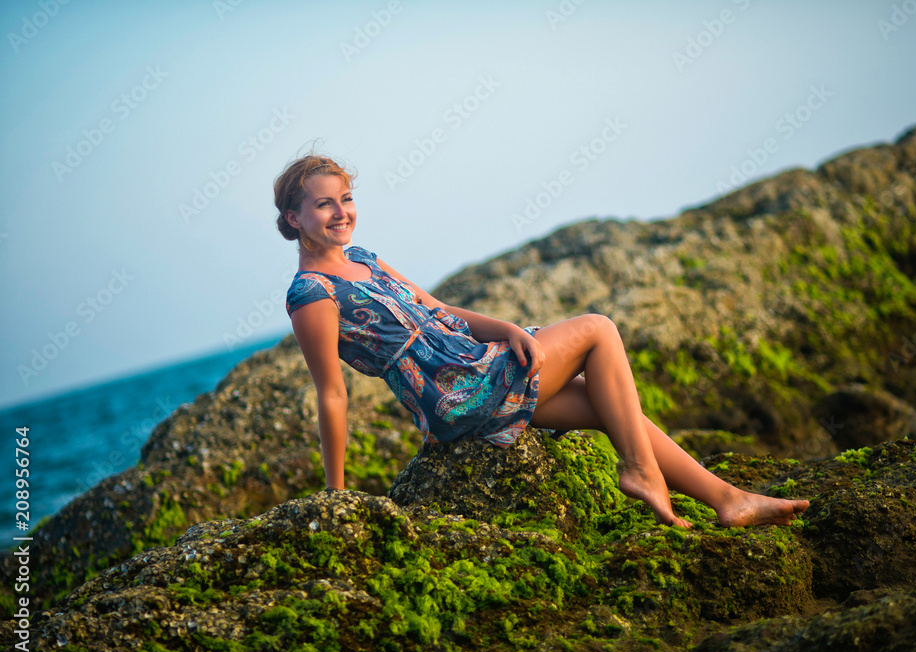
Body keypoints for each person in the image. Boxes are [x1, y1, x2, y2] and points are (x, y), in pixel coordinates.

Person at [277, 153, 809, 529]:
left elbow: (440, 312)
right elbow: (331, 392)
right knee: (598, 328)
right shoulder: (312, 293)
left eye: (346, 198)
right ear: (293, 218)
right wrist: (337, 494)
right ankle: (639, 470)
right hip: (455, 394)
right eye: (324, 205)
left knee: (610, 403)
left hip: (475, 363)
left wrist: (506, 329)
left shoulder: (364, 259)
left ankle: (728, 499)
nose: (341, 211)